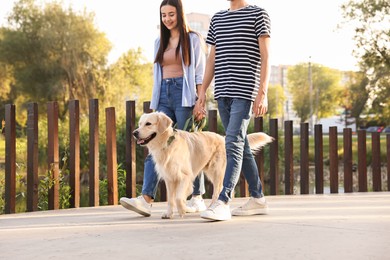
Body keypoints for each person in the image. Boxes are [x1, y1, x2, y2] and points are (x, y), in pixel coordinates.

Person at [120, 0, 207, 217]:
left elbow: (199, 72)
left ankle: (197, 197)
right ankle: (146, 199)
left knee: (191, 145)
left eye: (171, 14)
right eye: (163, 15)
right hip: (164, 97)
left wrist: (200, 99)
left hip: (184, 95)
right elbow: (157, 75)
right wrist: (154, 102)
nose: (167, 19)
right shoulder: (159, 41)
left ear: (179, 14)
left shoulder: (193, 39)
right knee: (154, 145)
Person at [194, 0, 271, 221]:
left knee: (232, 143)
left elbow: (266, 56)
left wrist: (262, 92)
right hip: (222, 92)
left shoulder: (259, 14)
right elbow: (212, 59)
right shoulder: (217, 18)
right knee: (241, 144)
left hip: (245, 91)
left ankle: (223, 200)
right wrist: (202, 94)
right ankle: (258, 198)